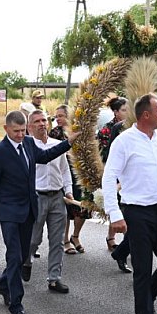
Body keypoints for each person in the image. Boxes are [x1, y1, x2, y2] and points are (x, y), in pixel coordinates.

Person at [0, 110, 78, 314]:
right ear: (6, 129)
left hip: (29, 210)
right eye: (16, 131)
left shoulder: (30, 143)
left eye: (23, 131)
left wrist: (68, 142)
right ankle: (16, 305)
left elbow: (45, 156)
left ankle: (4, 285)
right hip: (9, 212)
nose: (21, 135)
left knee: (21, 257)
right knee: (14, 257)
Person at [102, 94, 157, 314]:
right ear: (146, 115)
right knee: (143, 268)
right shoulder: (124, 141)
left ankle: (147, 298)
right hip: (136, 212)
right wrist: (114, 214)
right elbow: (109, 177)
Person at [21, 110, 73, 294]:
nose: (42, 124)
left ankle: (54, 278)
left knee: (57, 240)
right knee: (34, 238)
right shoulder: (27, 146)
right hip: (37, 196)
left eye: (44, 120)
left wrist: (69, 190)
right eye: (37, 121)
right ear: (29, 127)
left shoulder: (58, 145)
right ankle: (26, 261)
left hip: (57, 196)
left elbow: (65, 170)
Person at [49, 104, 91, 255]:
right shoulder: (54, 133)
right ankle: (65, 240)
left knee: (83, 207)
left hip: (80, 172)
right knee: (66, 208)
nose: (58, 119)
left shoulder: (79, 131)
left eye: (61, 115)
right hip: (63, 173)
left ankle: (76, 236)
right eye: (57, 116)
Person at [98, 96, 129, 251]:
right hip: (113, 169)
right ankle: (111, 236)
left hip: (129, 170)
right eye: (124, 110)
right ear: (116, 112)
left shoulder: (131, 127)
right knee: (115, 203)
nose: (127, 112)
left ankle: (127, 240)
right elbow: (105, 153)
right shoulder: (107, 130)